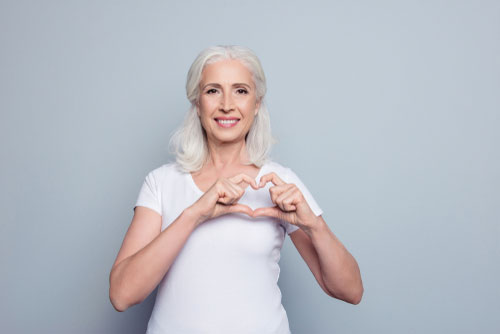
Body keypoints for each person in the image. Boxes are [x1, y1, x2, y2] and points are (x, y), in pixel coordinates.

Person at [109, 45, 363, 333]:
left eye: (241, 91)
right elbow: (122, 295)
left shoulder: (278, 183)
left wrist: (315, 226)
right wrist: (194, 215)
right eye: (213, 91)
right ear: (197, 103)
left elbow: (350, 291)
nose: (227, 104)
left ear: (256, 104)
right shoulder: (161, 182)